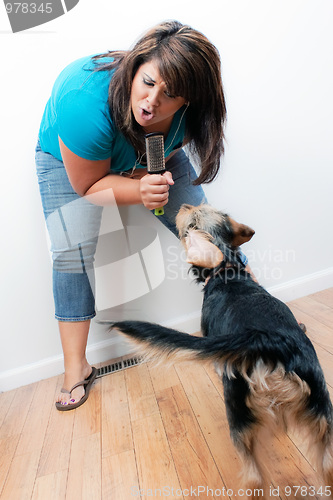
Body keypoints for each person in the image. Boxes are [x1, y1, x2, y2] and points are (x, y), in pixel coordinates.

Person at [36, 20, 247, 410]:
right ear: (136, 66)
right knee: (70, 255)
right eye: (147, 82)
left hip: (147, 150)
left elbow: (162, 154)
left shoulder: (188, 116)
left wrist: (150, 174)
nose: (152, 101)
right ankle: (75, 368)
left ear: (188, 101)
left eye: (170, 95)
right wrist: (138, 189)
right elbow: (88, 186)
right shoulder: (83, 100)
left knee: (206, 229)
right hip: (72, 161)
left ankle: (258, 323)